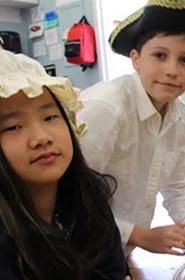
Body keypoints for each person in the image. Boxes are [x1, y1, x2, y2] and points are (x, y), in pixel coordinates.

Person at [77, 0, 185, 257]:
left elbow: (178, 188)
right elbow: (69, 198)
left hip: (119, 255)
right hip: (74, 254)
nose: (172, 71)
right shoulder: (105, 108)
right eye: (160, 55)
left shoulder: (181, 117)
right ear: (136, 59)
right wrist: (139, 235)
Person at [0, 49, 129, 279]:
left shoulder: (89, 201)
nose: (41, 137)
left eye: (50, 117)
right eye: (13, 127)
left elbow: (115, 272)